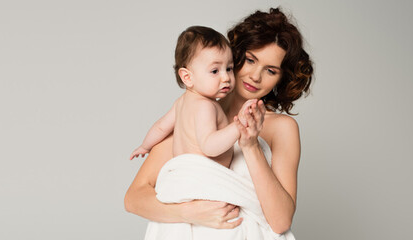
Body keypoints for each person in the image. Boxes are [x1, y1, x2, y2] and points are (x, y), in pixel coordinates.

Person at [124, 7, 314, 235]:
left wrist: (250, 145)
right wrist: (190, 212)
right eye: (250, 60)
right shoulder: (193, 113)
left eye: (271, 70)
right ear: (235, 56)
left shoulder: (281, 128)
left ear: (281, 79)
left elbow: (281, 221)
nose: (256, 76)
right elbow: (134, 198)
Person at [129, 26, 258, 171]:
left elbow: (160, 127)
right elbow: (209, 146)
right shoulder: (205, 106)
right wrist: (239, 125)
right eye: (215, 71)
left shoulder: (180, 103)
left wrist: (145, 146)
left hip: (180, 173)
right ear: (187, 77)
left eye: (229, 68)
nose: (226, 77)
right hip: (201, 177)